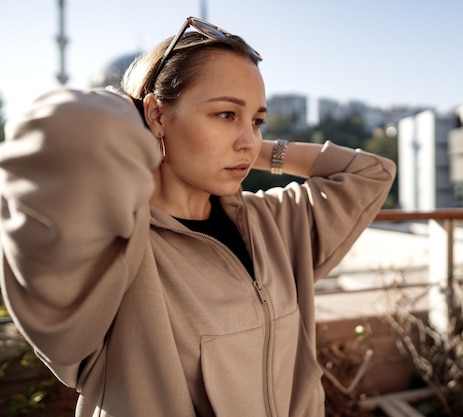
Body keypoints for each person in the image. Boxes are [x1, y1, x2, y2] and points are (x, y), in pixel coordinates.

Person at [0, 16, 396, 417]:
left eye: (257, 120)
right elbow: (63, 128)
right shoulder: (114, 249)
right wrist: (137, 113)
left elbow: (370, 174)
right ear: (155, 115)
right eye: (225, 114)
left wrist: (248, 146)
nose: (248, 138)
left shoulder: (271, 222)